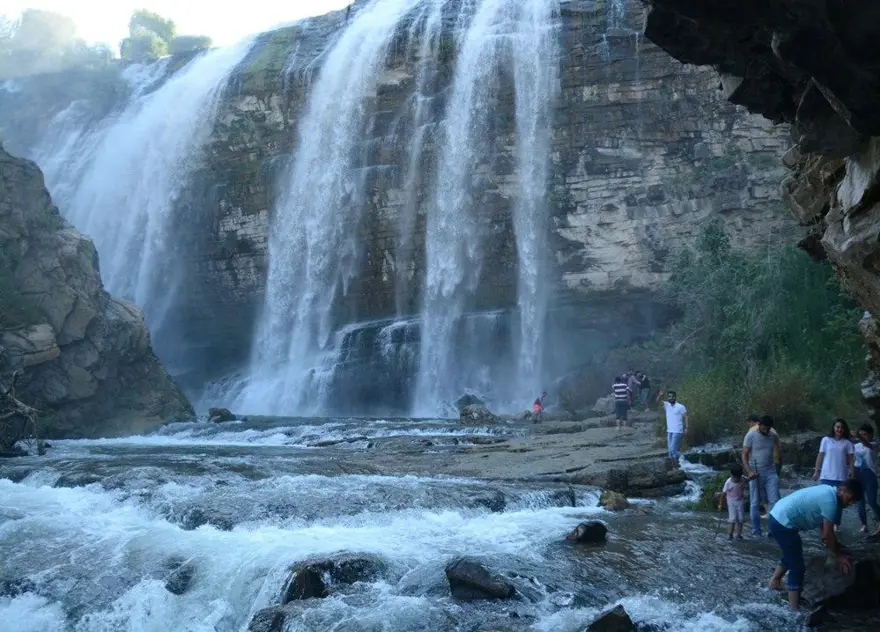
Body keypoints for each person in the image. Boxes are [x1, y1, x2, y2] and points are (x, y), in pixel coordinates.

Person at [767, 479, 863, 610]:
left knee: (792, 552)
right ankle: (793, 611)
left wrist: (835, 547)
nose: (850, 503)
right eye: (850, 498)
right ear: (843, 490)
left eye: (853, 501)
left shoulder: (828, 492)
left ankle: (775, 582)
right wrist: (838, 555)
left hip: (778, 516)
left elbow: (824, 529)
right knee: (798, 567)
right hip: (782, 522)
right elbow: (827, 535)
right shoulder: (831, 501)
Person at [742, 415, 782, 536]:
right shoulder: (751, 435)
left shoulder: (773, 436)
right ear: (759, 425)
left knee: (774, 501)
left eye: (768, 428)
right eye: (764, 427)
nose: (766, 430)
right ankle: (756, 530)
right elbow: (744, 455)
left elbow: (778, 452)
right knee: (754, 502)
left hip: (771, 472)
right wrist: (749, 471)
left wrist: (778, 467)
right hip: (755, 472)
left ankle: (772, 531)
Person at [854, 423, 880, 533]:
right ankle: (864, 524)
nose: (862, 436)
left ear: (870, 434)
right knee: (859, 502)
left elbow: (868, 445)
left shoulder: (874, 444)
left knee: (872, 501)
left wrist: (857, 435)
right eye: (861, 434)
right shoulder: (856, 446)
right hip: (857, 473)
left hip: (869, 474)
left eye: (864, 434)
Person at [813, 419, 855, 487]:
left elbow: (851, 461)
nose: (840, 429)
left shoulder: (848, 443)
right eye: (838, 427)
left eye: (842, 427)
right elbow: (820, 456)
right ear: (834, 427)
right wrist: (816, 472)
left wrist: (852, 475)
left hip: (841, 476)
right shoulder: (826, 440)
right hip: (826, 476)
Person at [657, 389, 687, 467]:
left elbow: (686, 417)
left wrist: (687, 427)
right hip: (669, 430)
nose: (671, 398)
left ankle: (676, 467)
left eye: (672, 396)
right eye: (669, 397)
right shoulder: (666, 405)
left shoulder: (681, 407)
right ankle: (676, 466)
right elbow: (657, 401)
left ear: (675, 397)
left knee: (673, 449)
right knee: (670, 451)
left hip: (677, 431)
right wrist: (660, 395)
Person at [720, 464, 747, 540]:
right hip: (731, 501)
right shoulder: (728, 482)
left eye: (738, 478)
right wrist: (720, 505)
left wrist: (754, 476)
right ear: (731, 475)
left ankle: (739, 535)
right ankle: (730, 534)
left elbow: (748, 479)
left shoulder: (743, 478)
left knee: (741, 519)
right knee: (732, 518)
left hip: (740, 500)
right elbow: (723, 494)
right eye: (735, 478)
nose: (737, 479)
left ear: (741, 475)